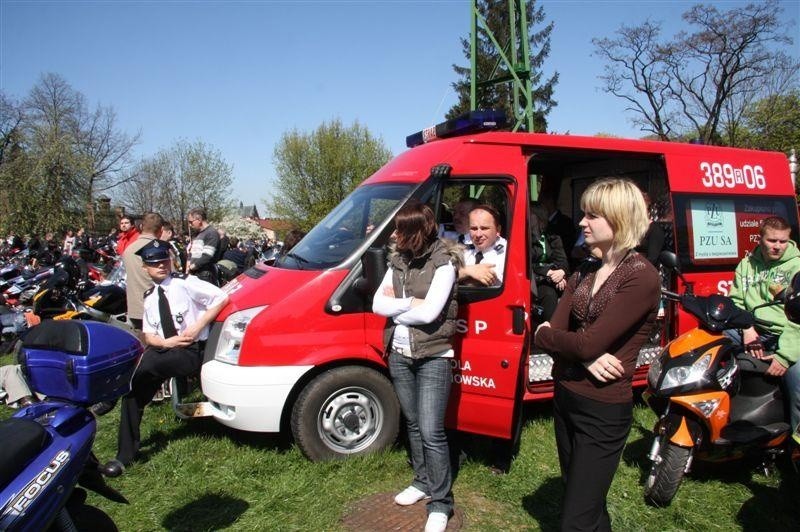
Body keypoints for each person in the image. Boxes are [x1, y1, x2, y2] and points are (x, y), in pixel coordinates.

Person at [534, 178, 660, 531]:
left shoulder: (640, 276)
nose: (581, 222)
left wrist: (575, 345)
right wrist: (584, 354)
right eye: (584, 213)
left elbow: (569, 338)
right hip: (566, 398)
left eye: (592, 215)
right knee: (586, 506)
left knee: (575, 519)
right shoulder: (587, 269)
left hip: (602, 409)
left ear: (618, 219)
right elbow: (543, 333)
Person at [99, 239, 228, 477]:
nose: (161, 266)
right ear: (145, 268)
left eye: (164, 261)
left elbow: (220, 298)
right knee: (134, 393)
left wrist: (198, 325)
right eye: (154, 263)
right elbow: (149, 336)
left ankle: (110, 394)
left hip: (192, 351)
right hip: (167, 349)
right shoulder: (150, 297)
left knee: (148, 364)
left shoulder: (185, 283)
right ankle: (124, 455)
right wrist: (166, 342)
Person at [372, 200, 461, 532]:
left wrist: (397, 308)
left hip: (433, 356)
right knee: (412, 424)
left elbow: (431, 313)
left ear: (417, 232)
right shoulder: (397, 260)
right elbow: (377, 304)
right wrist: (409, 303)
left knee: (431, 431)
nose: (394, 234)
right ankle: (422, 481)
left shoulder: (445, 262)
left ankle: (441, 503)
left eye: (400, 229)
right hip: (399, 352)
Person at [727, 216, 800, 449]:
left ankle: (795, 446)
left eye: (783, 241)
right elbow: (735, 302)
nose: (777, 246)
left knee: (798, 383)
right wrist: (746, 327)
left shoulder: (797, 268)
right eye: (772, 240)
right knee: (712, 340)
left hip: (788, 334)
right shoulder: (746, 265)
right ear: (760, 239)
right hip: (754, 329)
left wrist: (785, 356)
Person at [122, 213, 164, 331]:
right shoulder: (160, 249)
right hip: (157, 310)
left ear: (141, 227)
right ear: (161, 230)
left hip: (135, 309)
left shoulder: (128, 249)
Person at [531, 201, 570, 321]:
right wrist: (548, 272)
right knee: (548, 293)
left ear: (538, 218)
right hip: (533, 278)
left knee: (558, 290)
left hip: (549, 278)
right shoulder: (524, 237)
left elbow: (562, 260)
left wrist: (561, 273)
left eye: (530, 215)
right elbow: (525, 263)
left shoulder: (552, 235)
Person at [459, 204, 506, 287]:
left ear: (498, 230)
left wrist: (459, 273)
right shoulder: (462, 246)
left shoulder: (508, 252)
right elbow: (441, 276)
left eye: (484, 228)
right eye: (473, 228)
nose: (478, 234)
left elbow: (477, 283)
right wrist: (467, 271)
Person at [186, 208, 220, 285]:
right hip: (195, 274)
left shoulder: (211, 233)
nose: (190, 225)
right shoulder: (198, 234)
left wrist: (192, 267)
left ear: (199, 219)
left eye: (191, 222)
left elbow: (207, 256)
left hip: (205, 275)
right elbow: (192, 253)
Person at [635, 192, 667, 265]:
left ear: (648, 210)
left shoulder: (655, 230)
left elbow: (652, 259)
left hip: (643, 272)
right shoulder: (629, 229)